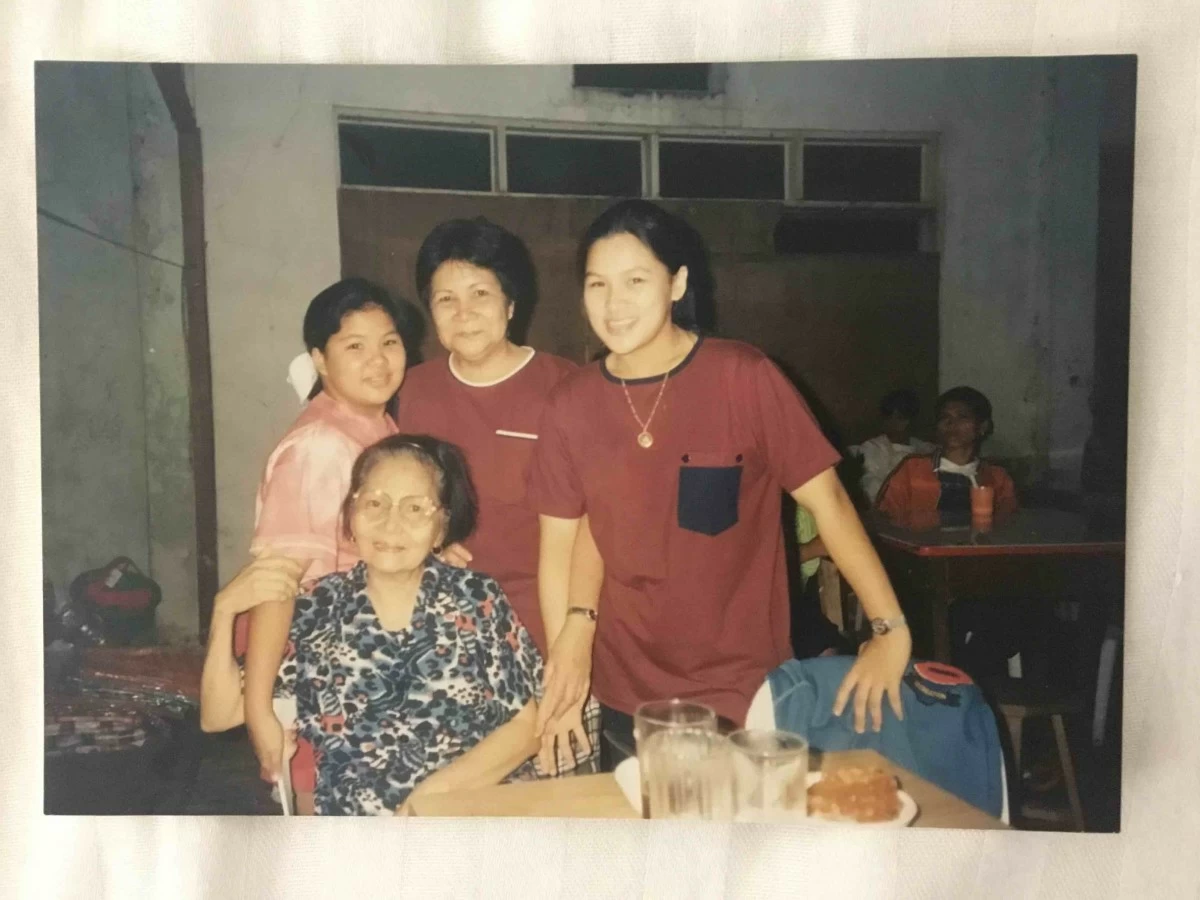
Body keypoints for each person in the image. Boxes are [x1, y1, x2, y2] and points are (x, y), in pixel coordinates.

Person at [528, 199, 912, 771]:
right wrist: (567, 662)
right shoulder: (571, 404)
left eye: (636, 280)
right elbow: (564, 544)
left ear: (677, 282)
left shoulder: (743, 376)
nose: (614, 304)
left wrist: (890, 629)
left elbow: (828, 501)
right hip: (625, 691)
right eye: (597, 284)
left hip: (744, 690)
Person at [396, 217, 602, 773]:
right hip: (438, 648)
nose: (463, 312)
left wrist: (570, 654)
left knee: (557, 814)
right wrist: (425, 542)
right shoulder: (411, 391)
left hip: (546, 638)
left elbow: (597, 528)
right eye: (445, 298)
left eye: (480, 293)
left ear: (512, 303)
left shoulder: (568, 388)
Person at [210, 277, 423, 814]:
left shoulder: (375, 426)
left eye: (390, 342)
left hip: (366, 678)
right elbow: (275, 585)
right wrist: (259, 710)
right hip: (324, 688)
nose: (378, 360)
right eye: (355, 346)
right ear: (320, 359)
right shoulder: (320, 446)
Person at [273, 435, 543, 815]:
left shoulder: (477, 598)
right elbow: (223, 714)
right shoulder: (313, 606)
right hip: (361, 832)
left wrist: (424, 803)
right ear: (351, 515)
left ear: (442, 526)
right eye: (374, 503)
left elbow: (525, 730)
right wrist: (224, 613)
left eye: (415, 508)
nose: (391, 523)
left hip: (471, 811)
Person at [876, 386, 1017, 519]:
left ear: (982, 427)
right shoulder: (912, 470)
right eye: (944, 417)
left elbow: (1007, 525)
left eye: (962, 417)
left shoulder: (997, 478)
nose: (950, 423)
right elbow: (885, 519)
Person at [850, 389, 935, 505]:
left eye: (900, 418)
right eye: (889, 417)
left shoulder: (926, 450)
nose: (894, 423)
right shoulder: (872, 448)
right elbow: (871, 488)